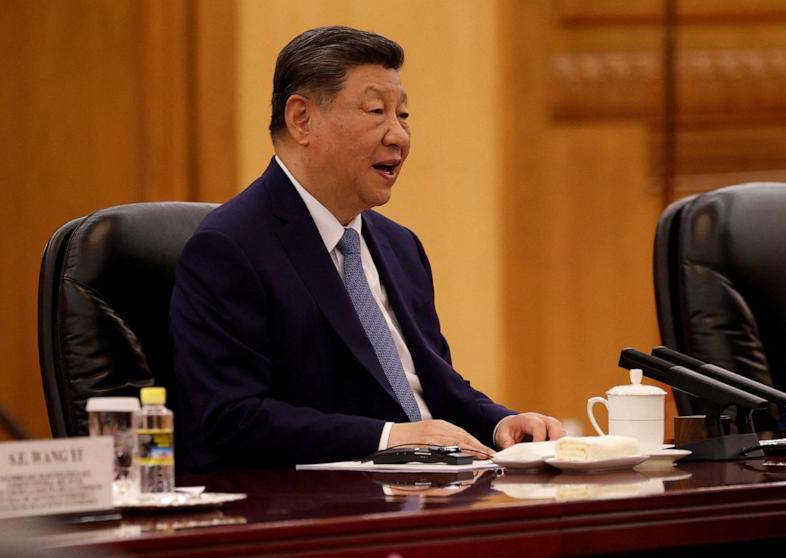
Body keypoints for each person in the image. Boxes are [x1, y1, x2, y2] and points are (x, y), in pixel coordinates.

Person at [170, 26, 563, 474]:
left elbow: (433, 383)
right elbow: (234, 417)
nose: (399, 136)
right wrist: (389, 438)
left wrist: (501, 423)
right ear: (301, 119)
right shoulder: (228, 248)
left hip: (430, 492)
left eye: (405, 115)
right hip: (317, 513)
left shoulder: (399, 246)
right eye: (377, 111)